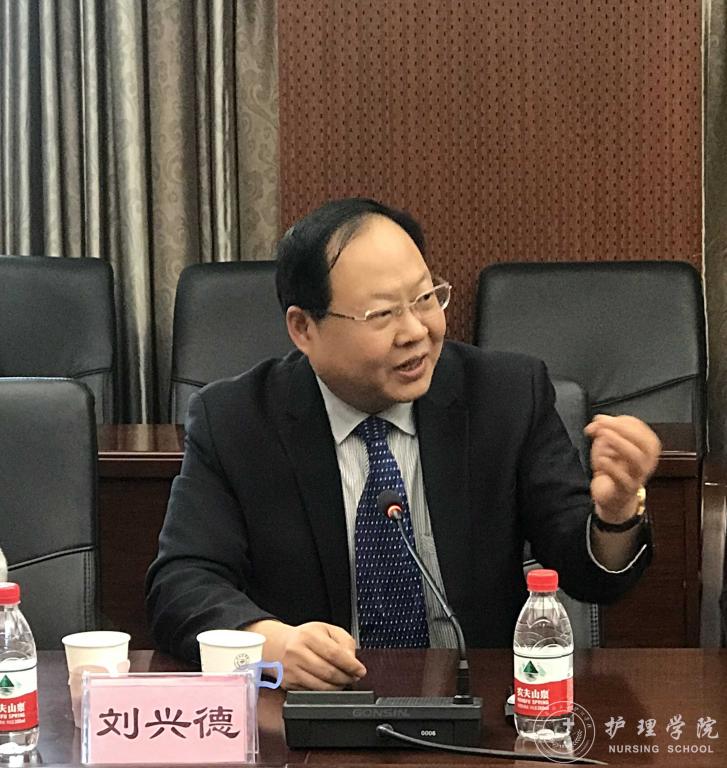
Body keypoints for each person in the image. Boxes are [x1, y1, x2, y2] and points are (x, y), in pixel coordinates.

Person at [146, 197, 660, 691]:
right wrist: (269, 643)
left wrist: (616, 514)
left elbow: (589, 574)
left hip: (472, 710)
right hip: (313, 715)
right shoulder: (236, 420)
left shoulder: (505, 396)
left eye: (425, 298)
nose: (416, 331)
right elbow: (181, 582)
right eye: (381, 314)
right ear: (303, 328)